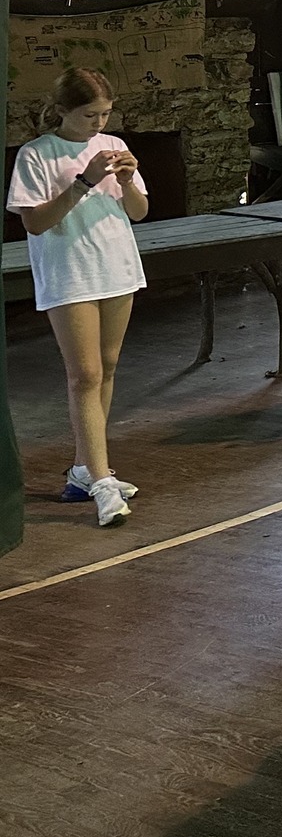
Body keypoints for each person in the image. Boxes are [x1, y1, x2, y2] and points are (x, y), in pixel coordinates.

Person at [6, 68, 149, 528]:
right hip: (70, 273)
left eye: (105, 114)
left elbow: (140, 212)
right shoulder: (37, 154)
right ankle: (103, 481)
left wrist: (128, 181)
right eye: (90, 114)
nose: (99, 124)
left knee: (106, 368)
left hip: (117, 266)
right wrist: (83, 182)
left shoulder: (114, 147)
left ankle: (86, 471)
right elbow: (34, 222)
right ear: (63, 110)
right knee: (83, 374)